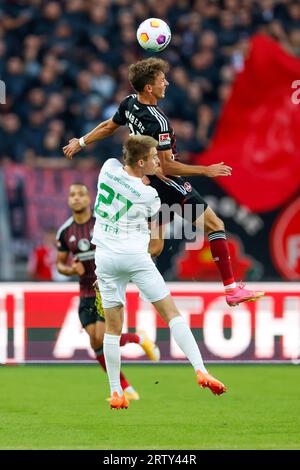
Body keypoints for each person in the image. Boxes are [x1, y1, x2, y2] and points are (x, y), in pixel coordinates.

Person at [63, 57, 264, 308]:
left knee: (155, 246)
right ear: (149, 87)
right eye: (161, 80)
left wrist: (80, 142)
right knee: (215, 225)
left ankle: (107, 281)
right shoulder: (158, 122)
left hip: (144, 184)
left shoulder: (129, 103)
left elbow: (108, 126)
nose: (166, 83)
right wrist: (206, 171)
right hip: (165, 183)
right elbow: (167, 166)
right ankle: (232, 290)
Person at [92, 135, 227, 410]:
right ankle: (200, 370)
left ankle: (116, 392)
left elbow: (127, 157)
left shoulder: (107, 168)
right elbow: (156, 243)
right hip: (134, 257)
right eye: (154, 157)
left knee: (113, 329)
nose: (159, 160)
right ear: (141, 162)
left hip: (104, 259)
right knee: (172, 315)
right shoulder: (149, 195)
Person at [56, 182, 160, 401]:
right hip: (84, 293)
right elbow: (60, 264)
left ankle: (137, 341)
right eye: (72, 194)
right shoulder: (65, 232)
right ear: (68, 200)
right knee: (95, 341)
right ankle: (127, 389)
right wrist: (70, 269)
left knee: (103, 337)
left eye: (81, 194)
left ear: (88, 199)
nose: (76, 198)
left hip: (108, 288)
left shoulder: (103, 223)